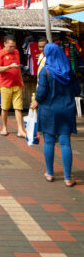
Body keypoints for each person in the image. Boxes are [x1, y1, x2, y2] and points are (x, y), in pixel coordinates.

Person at [30, 43, 81, 186]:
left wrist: (36, 101)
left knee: (49, 142)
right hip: (66, 109)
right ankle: (67, 178)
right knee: (65, 143)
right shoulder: (68, 71)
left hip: (48, 110)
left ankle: (50, 173)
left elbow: (41, 93)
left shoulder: (45, 71)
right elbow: (77, 90)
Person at [0, 35, 26, 138]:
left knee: (18, 108)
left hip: (17, 84)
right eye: (10, 46)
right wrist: (9, 67)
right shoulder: (0, 54)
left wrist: (22, 82)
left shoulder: (16, 52)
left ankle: (20, 130)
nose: (12, 48)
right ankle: (4, 127)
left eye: (14, 46)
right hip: (5, 85)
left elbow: (18, 69)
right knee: (5, 108)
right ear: (5, 44)